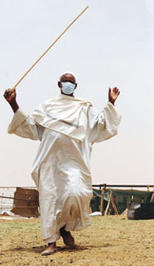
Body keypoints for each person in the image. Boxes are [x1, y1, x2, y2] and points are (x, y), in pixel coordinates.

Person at [3, 73, 121, 255]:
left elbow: (100, 125)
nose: (68, 85)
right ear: (59, 84)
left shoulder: (84, 108)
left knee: (76, 193)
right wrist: (13, 103)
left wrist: (111, 103)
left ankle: (64, 228)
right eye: (65, 82)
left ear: (76, 85)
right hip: (50, 163)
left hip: (74, 163)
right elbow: (31, 127)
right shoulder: (48, 107)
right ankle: (51, 242)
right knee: (50, 201)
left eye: (71, 82)